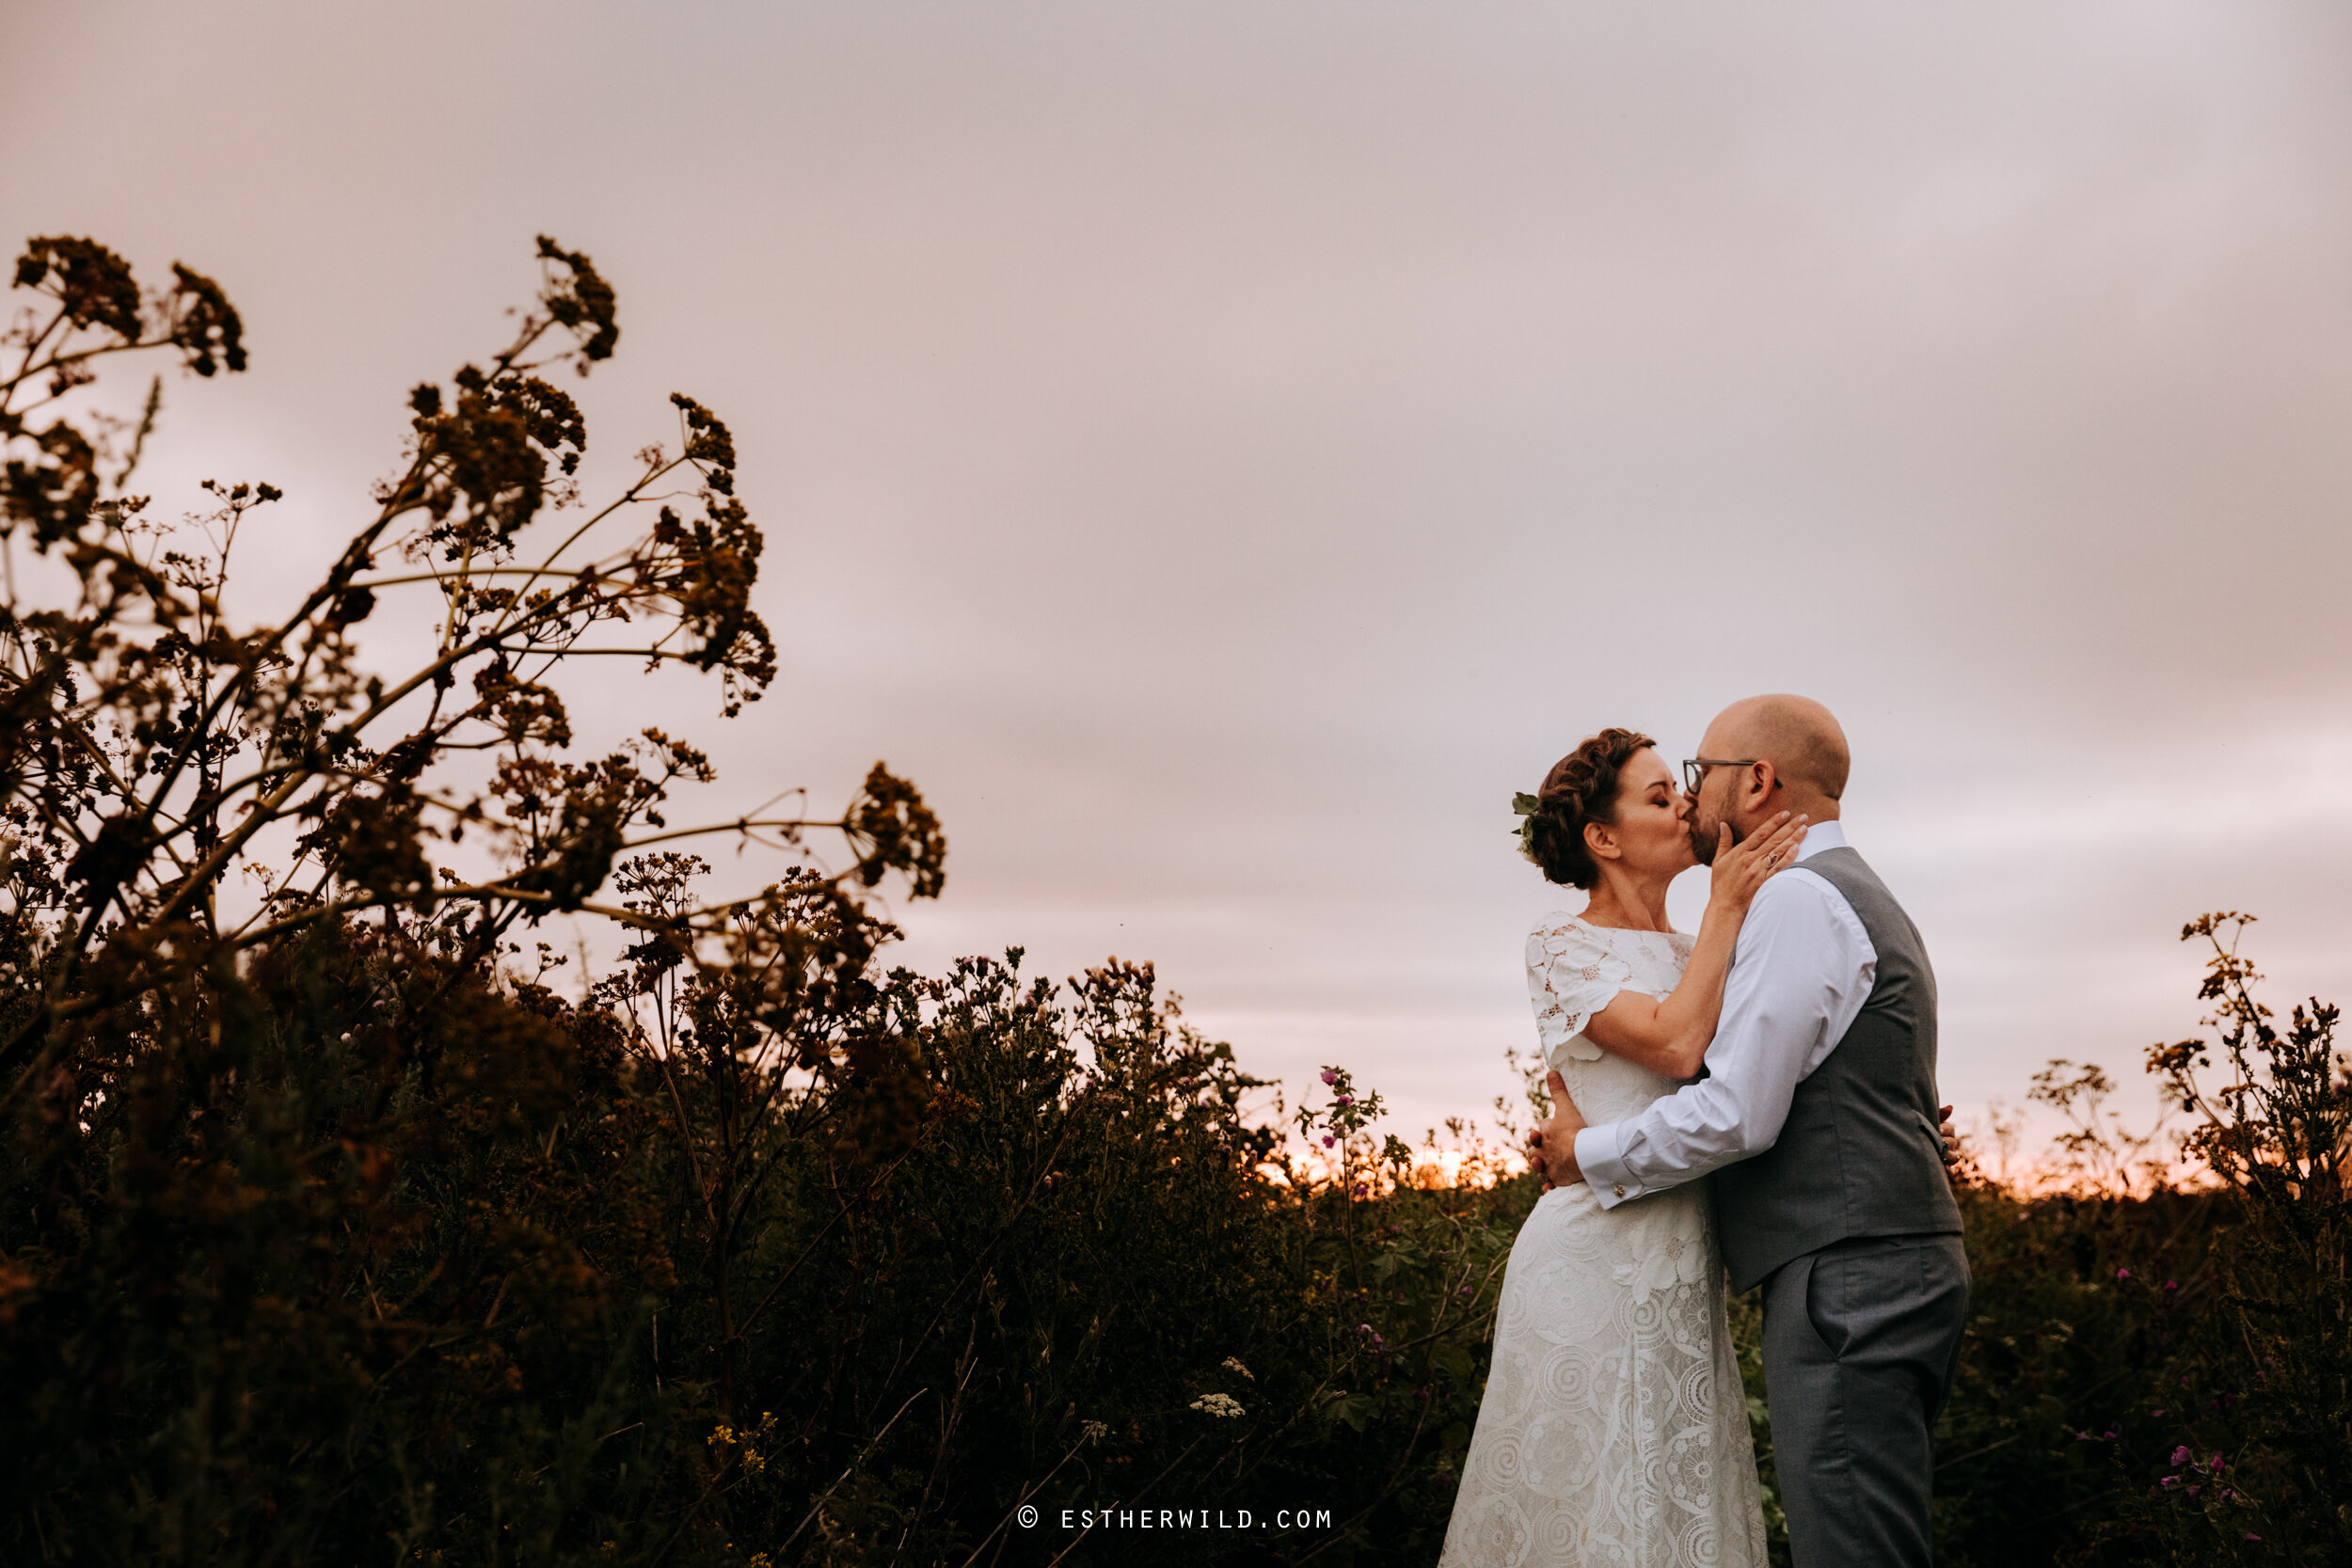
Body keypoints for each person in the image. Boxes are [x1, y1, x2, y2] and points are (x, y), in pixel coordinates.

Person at [1532, 695, 1969, 1568]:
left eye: (1697, 777)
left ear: (1758, 780)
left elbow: (1736, 1108)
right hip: (1858, 1257)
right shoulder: (1848, 894)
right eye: (1666, 791)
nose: (1691, 800)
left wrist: (1586, 1152)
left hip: (1847, 1275)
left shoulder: (1797, 901)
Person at [1438, 726, 1807, 1568]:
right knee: (1583, 1504)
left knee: (1671, 1501)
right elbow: (1677, 1046)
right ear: (1602, 839)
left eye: (1676, 787)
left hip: (1685, 1260)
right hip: (1590, 1261)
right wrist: (1727, 900)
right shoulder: (1560, 944)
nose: (1684, 802)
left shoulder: (1706, 944)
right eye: (1657, 796)